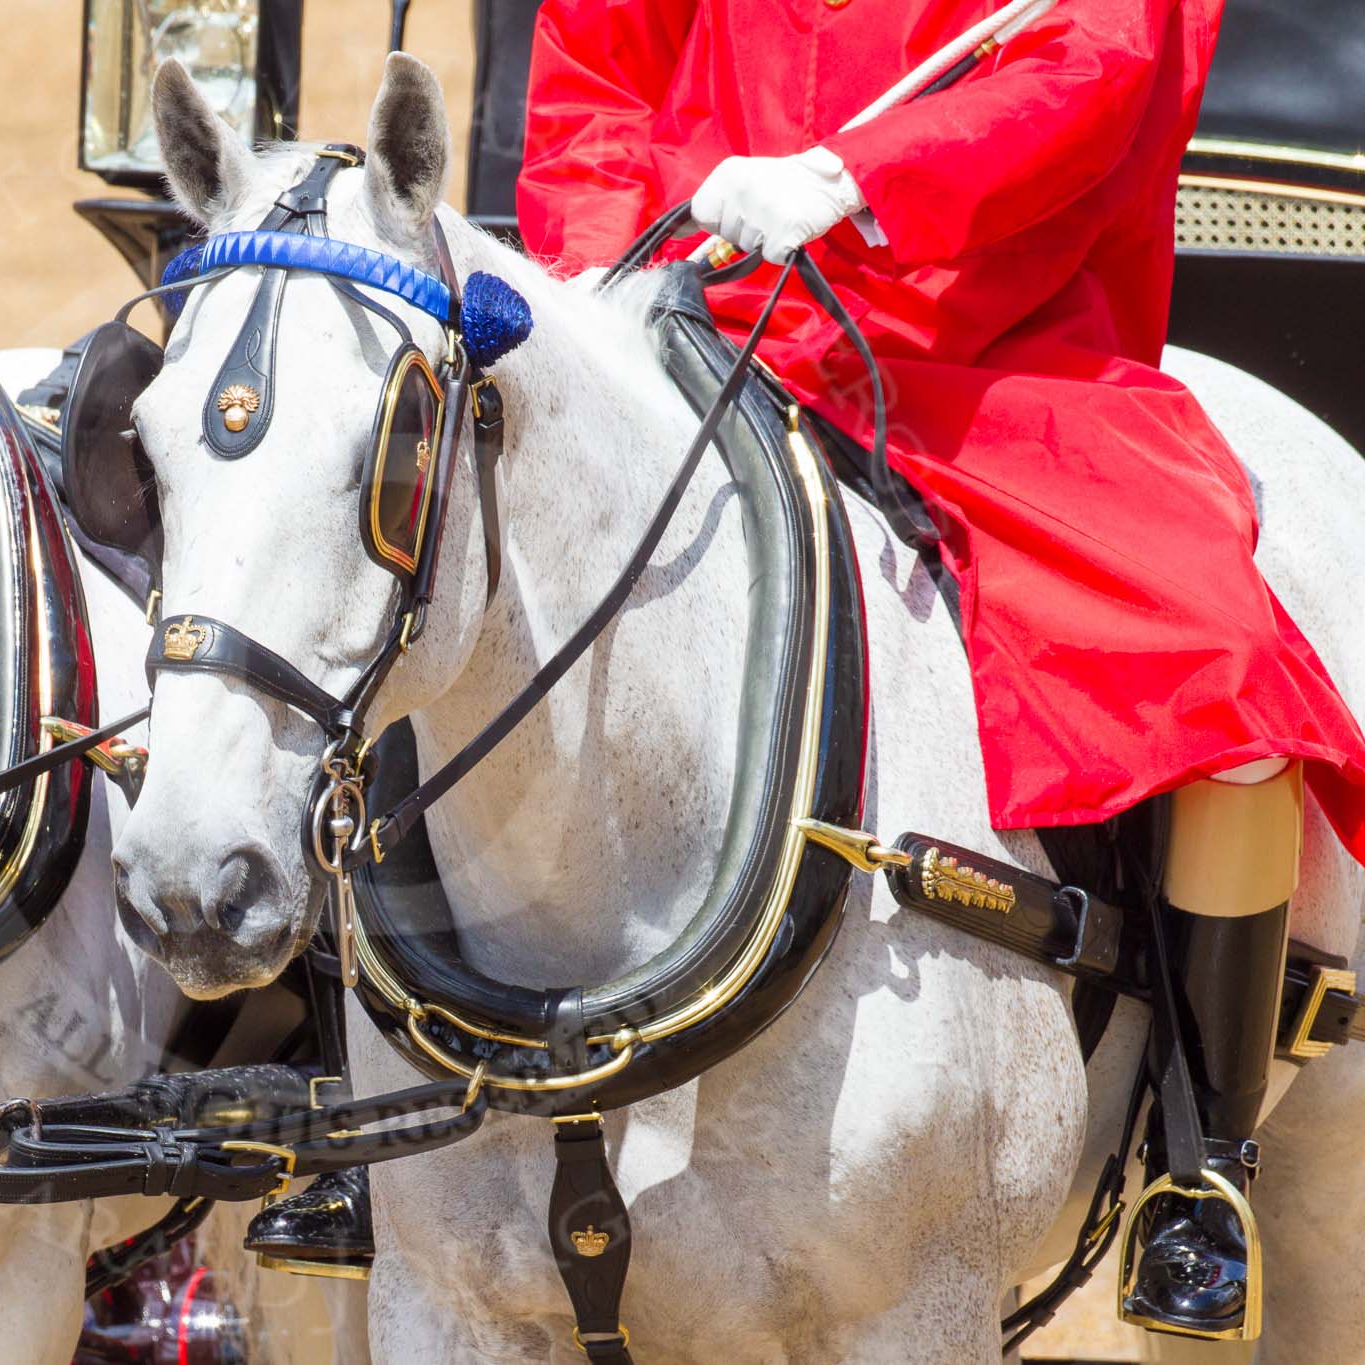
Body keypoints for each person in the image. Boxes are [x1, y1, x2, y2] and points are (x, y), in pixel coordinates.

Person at [517, 0, 1365, 1340]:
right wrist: (610, 264)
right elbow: (594, 79)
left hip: (977, 341)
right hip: (681, 308)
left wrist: (860, 178)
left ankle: (1199, 1164)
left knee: (1224, 678)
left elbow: (1094, 57)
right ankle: (350, 1098)